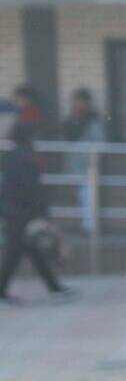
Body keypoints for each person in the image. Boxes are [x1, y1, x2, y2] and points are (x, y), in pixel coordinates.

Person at [0, 122, 70, 303]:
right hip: (22, 213)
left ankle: (54, 288)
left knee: (28, 251)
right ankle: (54, 288)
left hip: (14, 211)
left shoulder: (12, 156)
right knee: (17, 252)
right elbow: (32, 188)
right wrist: (41, 211)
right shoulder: (25, 157)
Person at [61, 88, 106, 235]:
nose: (78, 105)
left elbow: (99, 142)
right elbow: (65, 138)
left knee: (88, 197)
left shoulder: (94, 121)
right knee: (76, 197)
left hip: (88, 166)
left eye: (81, 101)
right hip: (73, 165)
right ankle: (79, 225)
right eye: (76, 101)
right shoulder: (70, 121)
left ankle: (89, 228)